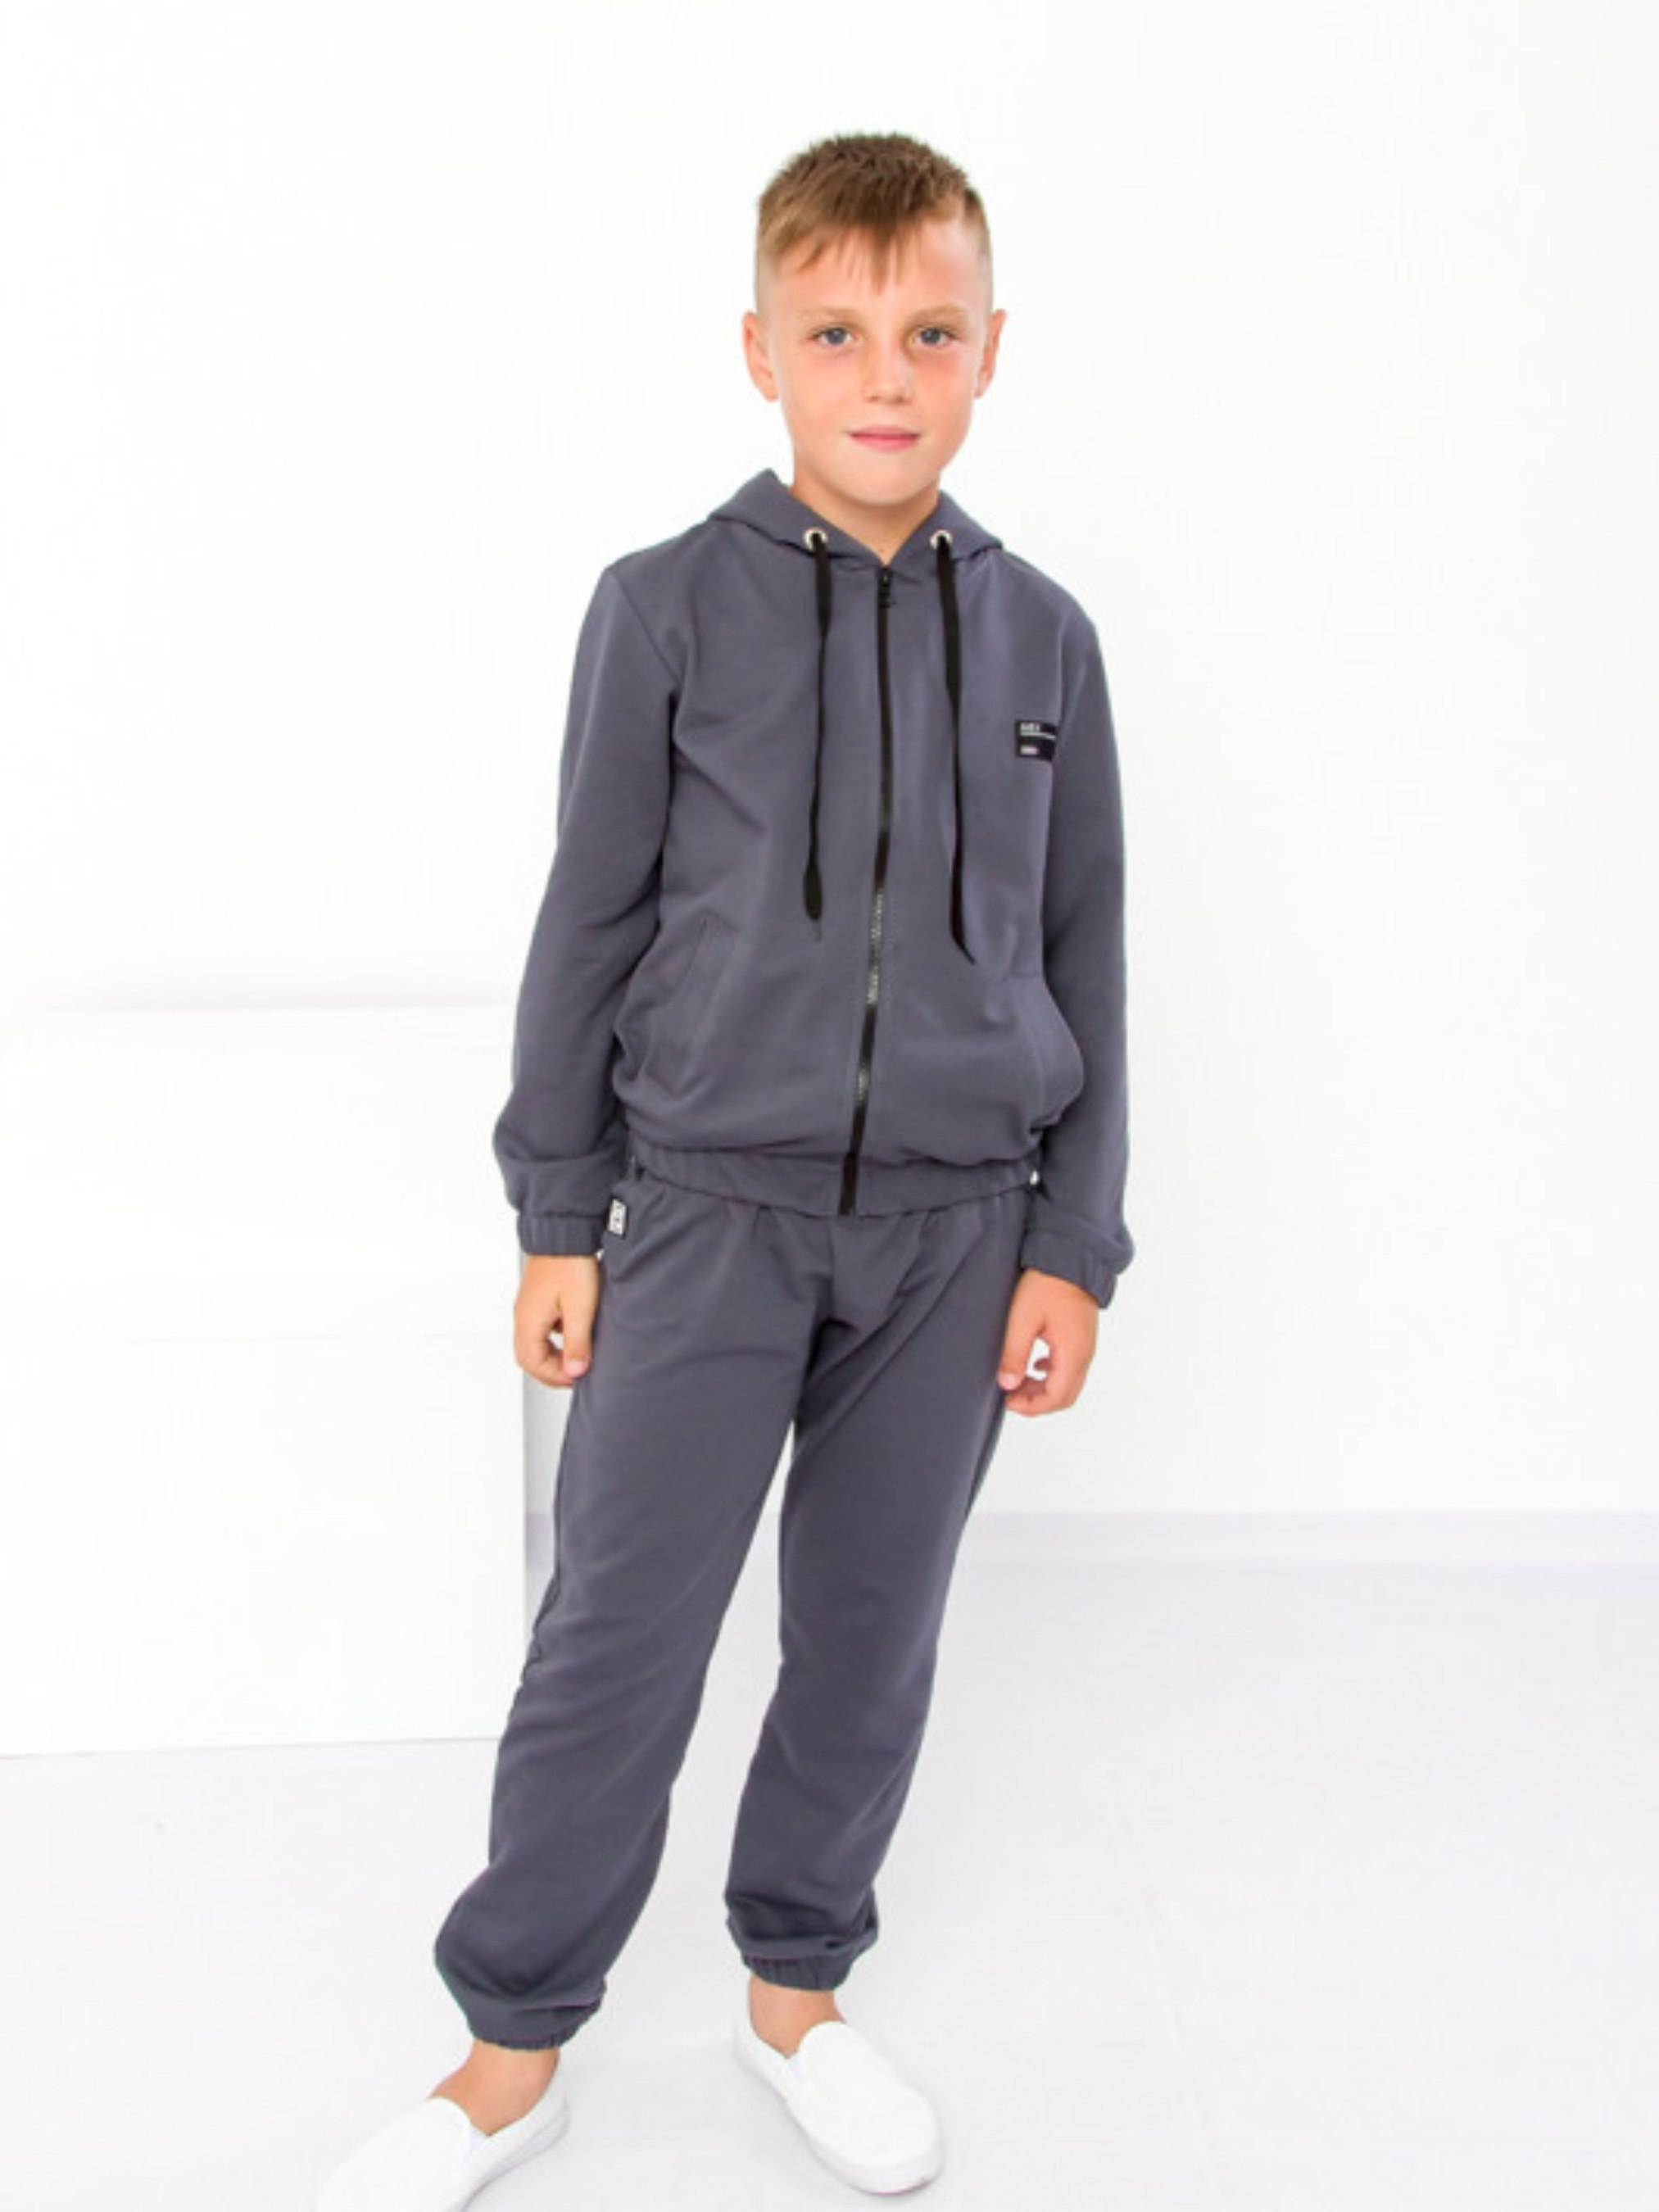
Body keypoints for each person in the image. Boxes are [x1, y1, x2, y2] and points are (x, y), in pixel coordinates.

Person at [317, 127, 1133, 2211]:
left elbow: (1084, 955)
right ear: (759, 350)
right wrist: (556, 1210)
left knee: (867, 1639)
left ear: (990, 349)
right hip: (700, 1215)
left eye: (929, 333)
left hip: (956, 1239)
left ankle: (796, 1998)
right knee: (616, 1637)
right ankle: (510, 2051)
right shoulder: (662, 609)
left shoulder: (1044, 642)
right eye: (834, 333)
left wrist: (1072, 1240)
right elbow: (588, 922)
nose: (886, 375)